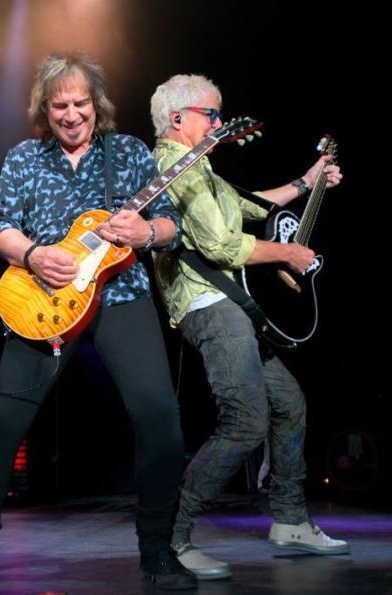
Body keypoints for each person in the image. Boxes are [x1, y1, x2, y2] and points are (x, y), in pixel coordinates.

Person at [0, 52, 196, 591]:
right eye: (59, 106)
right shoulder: (25, 158)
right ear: (43, 109)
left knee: (159, 419)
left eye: (80, 104)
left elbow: (174, 223)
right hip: (44, 298)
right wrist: (33, 256)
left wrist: (149, 235)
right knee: (1, 424)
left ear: (97, 105)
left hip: (122, 295)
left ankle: (158, 551)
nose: (71, 115)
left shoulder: (129, 153)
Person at [149, 74, 348, 580]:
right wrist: (286, 253)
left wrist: (308, 182)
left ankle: (290, 520)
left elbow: (250, 205)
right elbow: (219, 246)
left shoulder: (203, 168)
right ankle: (173, 536)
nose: (219, 123)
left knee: (289, 402)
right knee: (244, 422)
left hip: (234, 303)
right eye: (211, 114)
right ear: (179, 119)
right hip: (208, 305)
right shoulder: (175, 165)